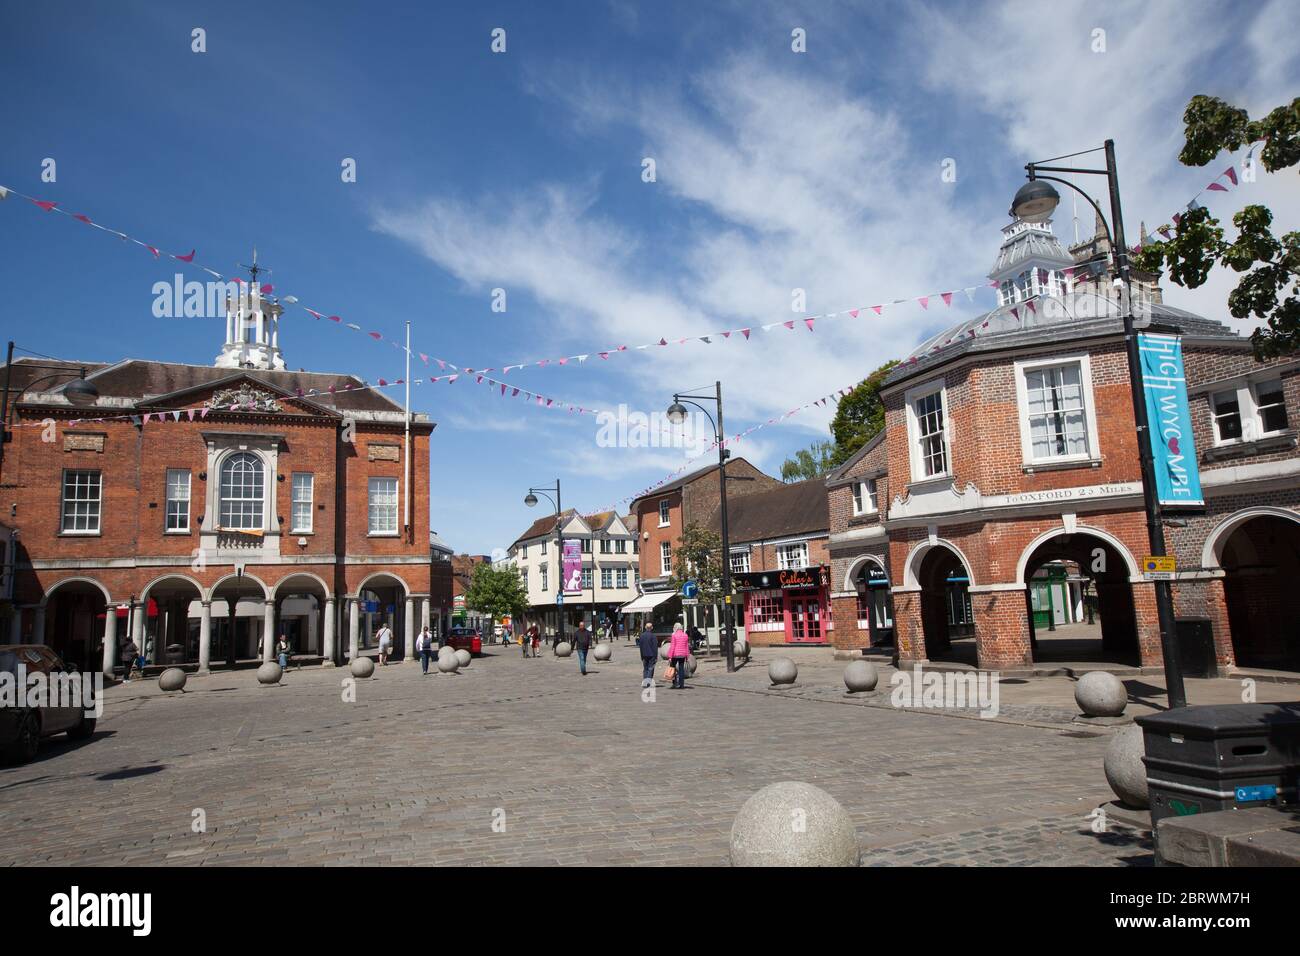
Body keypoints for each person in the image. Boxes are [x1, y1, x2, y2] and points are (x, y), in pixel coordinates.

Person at [667, 621, 690, 690]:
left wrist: (670, 656)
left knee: (673, 668)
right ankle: (682, 684)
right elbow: (686, 646)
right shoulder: (685, 635)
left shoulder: (674, 635)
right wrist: (687, 655)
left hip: (675, 655)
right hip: (682, 655)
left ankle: (674, 683)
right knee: (681, 669)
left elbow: (672, 646)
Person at [637, 623, 658, 688]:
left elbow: (640, 647)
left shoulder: (642, 636)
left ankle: (645, 682)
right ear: (651, 628)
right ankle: (648, 682)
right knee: (650, 669)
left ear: (645, 628)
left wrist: (641, 656)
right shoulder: (653, 636)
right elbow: (655, 647)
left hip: (644, 655)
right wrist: (656, 656)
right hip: (651, 655)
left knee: (645, 669)